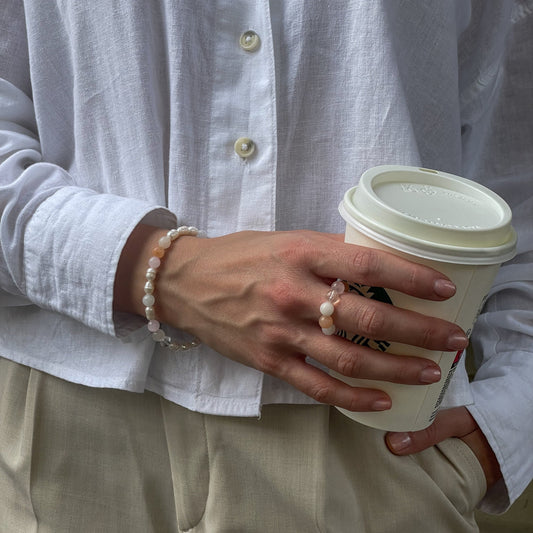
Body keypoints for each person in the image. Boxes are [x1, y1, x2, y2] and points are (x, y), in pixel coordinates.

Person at [0, 1, 531, 531]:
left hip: (376, 443)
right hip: (67, 417)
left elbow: (517, 159)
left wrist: (504, 422)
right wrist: (163, 270)